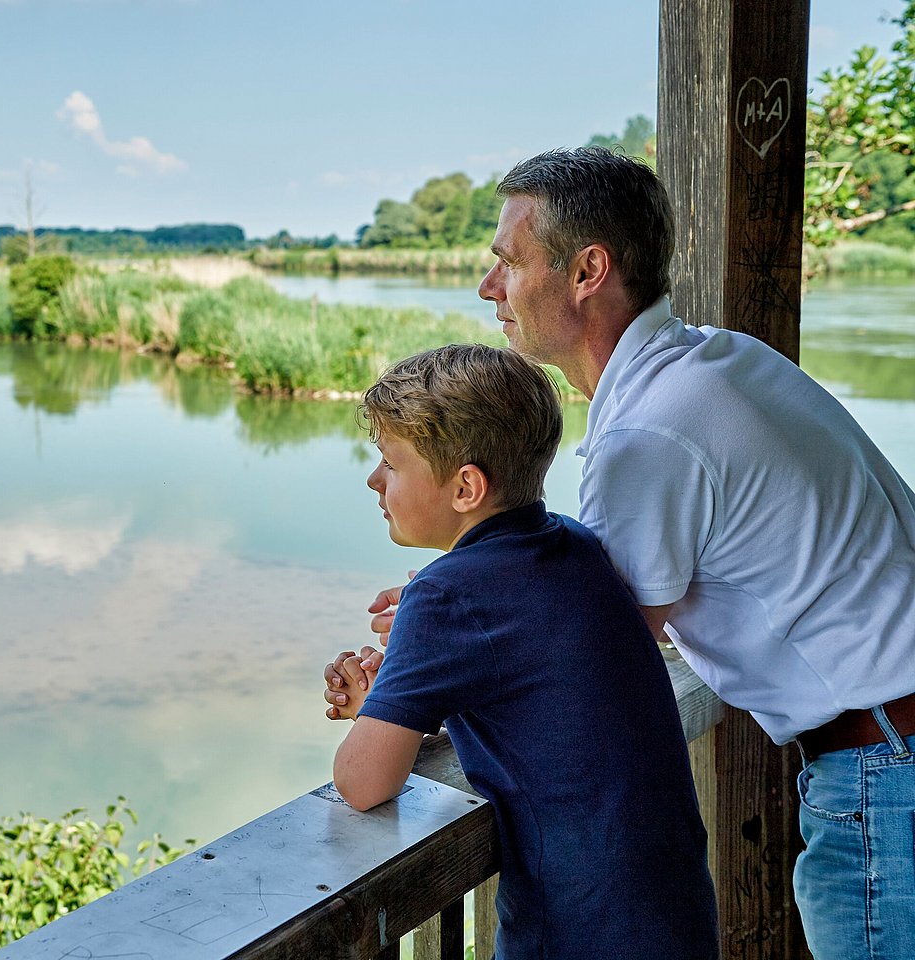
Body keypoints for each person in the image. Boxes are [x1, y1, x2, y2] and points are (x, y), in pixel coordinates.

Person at [328, 146, 915, 959]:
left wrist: (427, 655)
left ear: (587, 271)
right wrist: (450, 629)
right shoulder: (717, 362)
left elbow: (587, 645)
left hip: (887, 766)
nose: (488, 285)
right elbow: (569, 607)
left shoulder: (646, 431)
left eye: (508, 260)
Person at [330, 343, 718, 960]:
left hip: (575, 929)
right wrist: (391, 699)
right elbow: (535, 696)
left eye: (391, 464)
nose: (375, 480)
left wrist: (387, 698)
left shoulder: (444, 595)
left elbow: (361, 783)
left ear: (465, 488)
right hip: (673, 911)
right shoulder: (575, 545)